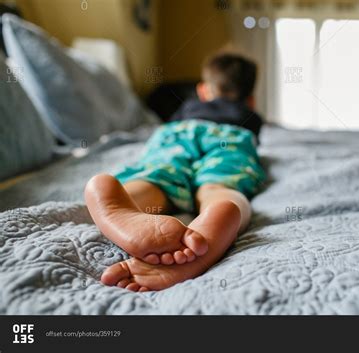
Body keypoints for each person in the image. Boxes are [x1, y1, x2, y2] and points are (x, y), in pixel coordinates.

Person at [84, 53, 265, 292]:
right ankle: (217, 216)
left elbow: (169, 130)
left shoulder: (189, 107)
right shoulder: (249, 116)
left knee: (159, 173)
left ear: (203, 91)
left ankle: (130, 201)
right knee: (220, 182)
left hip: (177, 133)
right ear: (250, 101)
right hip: (228, 137)